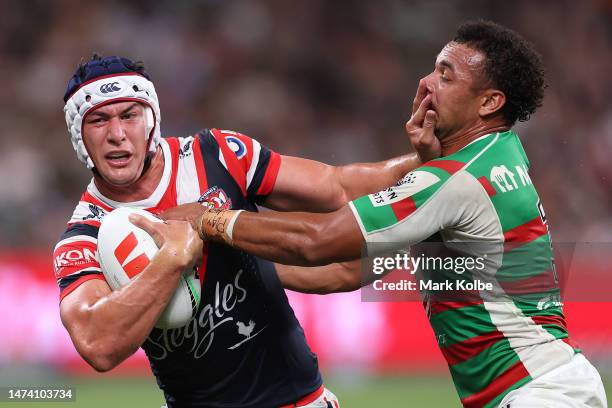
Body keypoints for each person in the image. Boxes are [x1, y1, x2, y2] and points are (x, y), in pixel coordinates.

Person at [150, 21, 608, 408]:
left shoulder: (453, 181)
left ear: (489, 103)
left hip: (539, 393)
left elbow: (318, 241)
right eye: (433, 69)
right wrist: (239, 261)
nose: (427, 84)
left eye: (446, 77)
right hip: (554, 384)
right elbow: (347, 271)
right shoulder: (501, 154)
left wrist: (212, 221)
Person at [53, 54, 431, 408]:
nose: (117, 133)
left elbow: (339, 188)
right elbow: (97, 345)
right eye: (98, 121)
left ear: (151, 119)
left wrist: (429, 165)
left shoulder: (217, 155)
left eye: (130, 115)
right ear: (79, 136)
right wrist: (171, 261)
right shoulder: (84, 235)